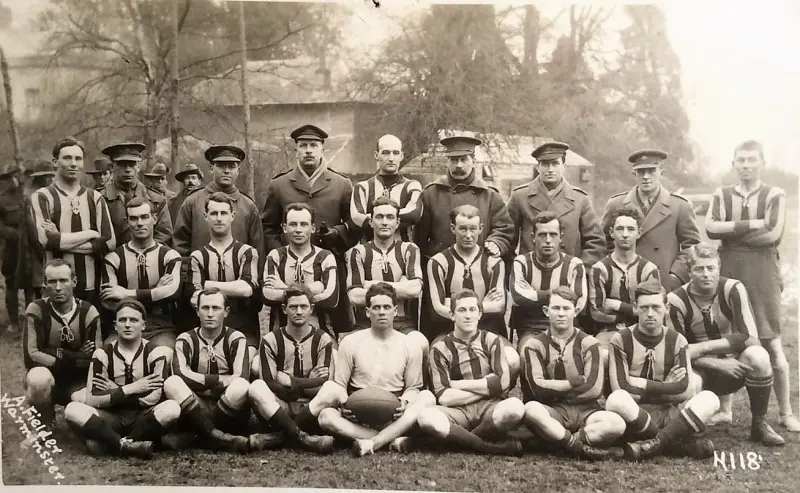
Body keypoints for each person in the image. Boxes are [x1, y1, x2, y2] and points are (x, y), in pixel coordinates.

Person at [704, 140, 799, 432]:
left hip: (762, 272)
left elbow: (773, 235)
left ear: (762, 163)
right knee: (729, 336)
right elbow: (710, 228)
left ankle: (785, 412)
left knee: (770, 341)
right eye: (741, 160)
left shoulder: (775, 194)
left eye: (751, 160)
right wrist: (752, 224)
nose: (746, 166)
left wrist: (731, 232)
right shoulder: (721, 194)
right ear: (734, 163)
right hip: (731, 268)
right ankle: (725, 409)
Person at [666, 243, 784, 446]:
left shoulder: (732, 288)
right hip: (700, 370)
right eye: (699, 269)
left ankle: (759, 424)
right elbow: (679, 351)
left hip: (734, 367)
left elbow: (749, 337)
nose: (706, 274)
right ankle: (690, 434)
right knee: (687, 378)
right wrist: (717, 363)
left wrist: (702, 348)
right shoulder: (676, 300)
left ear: (719, 267)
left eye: (710, 268)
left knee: (759, 355)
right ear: (689, 272)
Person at [309, 283, 436, 456]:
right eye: (376, 307)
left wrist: (405, 402)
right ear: (368, 312)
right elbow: (339, 384)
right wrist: (345, 405)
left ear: (395, 311)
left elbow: (413, 388)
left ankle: (372, 443)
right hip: (358, 413)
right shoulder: (351, 341)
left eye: (386, 307)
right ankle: (391, 439)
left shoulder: (410, 344)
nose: (382, 312)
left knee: (427, 397)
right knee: (326, 416)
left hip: (393, 412)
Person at [605, 280, 720, 460]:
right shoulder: (621, 338)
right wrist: (665, 386)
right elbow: (621, 388)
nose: (650, 314)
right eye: (644, 308)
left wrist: (641, 383)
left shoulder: (677, 340)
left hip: (668, 413)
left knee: (710, 399)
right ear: (635, 308)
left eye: (656, 307)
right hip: (636, 413)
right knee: (616, 400)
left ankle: (653, 443)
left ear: (666, 308)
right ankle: (674, 444)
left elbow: (684, 390)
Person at [261, 125, 357, 336]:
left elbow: (353, 226)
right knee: (289, 320)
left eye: (314, 145)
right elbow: (267, 227)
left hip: (330, 264)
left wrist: (336, 234)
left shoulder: (341, 184)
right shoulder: (280, 185)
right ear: (296, 150)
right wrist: (284, 255)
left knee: (334, 323)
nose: (308, 150)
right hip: (288, 269)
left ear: (323, 149)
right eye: (303, 145)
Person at [162, 287, 281, 453]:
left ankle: (197, 435)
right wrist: (219, 380)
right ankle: (217, 437)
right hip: (197, 404)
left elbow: (241, 375)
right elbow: (181, 374)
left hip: (227, 409)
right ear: (197, 311)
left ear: (226, 312)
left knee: (241, 385)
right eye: (205, 308)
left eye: (216, 308)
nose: (210, 314)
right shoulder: (186, 338)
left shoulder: (236, 338)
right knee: (172, 382)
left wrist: (201, 381)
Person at [519, 286, 625, 461]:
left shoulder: (590, 343)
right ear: (546, 311)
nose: (561, 313)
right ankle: (579, 448)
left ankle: (561, 441)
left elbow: (594, 389)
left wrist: (553, 387)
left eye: (566, 308)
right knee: (531, 410)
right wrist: (575, 382)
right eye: (556, 308)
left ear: (575, 311)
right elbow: (538, 388)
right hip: (554, 411)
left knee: (617, 424)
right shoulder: (534, 345)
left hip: (587, 412)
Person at [64, 299, 179, 459]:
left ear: (143, 325)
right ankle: (127, 445)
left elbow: (153, 398)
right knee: (72, 409)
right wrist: (132, 388)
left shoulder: (156, 353)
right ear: (115, 325)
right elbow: (92, 399)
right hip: (111, 417)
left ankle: (112, 442)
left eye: (133, 320)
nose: (127, 324)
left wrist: (114, 391)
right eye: (122, 320)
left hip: (143, 417)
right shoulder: (102, 354)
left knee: (172, 408)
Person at [416, 290, 524, 456]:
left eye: (473, 310)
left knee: (515, 407)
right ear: (452, 315)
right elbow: (444, 397)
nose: (468, 316)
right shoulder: (439, 348)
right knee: (425, 416)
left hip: (489, 407)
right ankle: (487, 447)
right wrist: (488, 386)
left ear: (480, 314)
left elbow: (502, 384)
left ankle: (453, 440)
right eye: (462, 310)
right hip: (457, 410)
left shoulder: (492, 340)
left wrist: (458, 384)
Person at [174, 145, 264, 333]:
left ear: (238, 170)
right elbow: (180, 247)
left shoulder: (248, 206)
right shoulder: (192, 202)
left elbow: (258, 249)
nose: (226, 170)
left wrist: (253, 295)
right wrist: (190, 290)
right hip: (200, 297)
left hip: (239, 300)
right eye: (221, 165)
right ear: (211, 168)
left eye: (232, 166)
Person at [29, 137, 117, 309]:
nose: (73, 164)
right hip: (55, 288)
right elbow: (45, 240)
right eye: (67, 158)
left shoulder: (95, 197)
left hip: (91, 286)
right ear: (55, 162)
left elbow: (109, 242)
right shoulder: (42, 196)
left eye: (78, 159)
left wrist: (60, 240)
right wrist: (91, 234)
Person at [248, 285, 337, 453]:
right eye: (293, 307)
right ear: (284, 309)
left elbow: (323, 383)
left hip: (311, 407)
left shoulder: (323, 339)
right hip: (280, 408)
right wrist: (307, 383)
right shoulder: (270, 339)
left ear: (311, 309)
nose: (298, 311)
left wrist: (291, 381)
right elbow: (269, 382)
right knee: (255, 387)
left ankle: (277, 437)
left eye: (303, 306)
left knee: (332, 389)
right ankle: (303, 438)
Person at [600, 149, 700, 292]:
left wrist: (676, 276)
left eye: (652, 171)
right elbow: (604, 242)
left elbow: (692, 246)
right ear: (634, 174)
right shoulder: (617, 204)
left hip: (663, 282)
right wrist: (613, 269)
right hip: (624, 280)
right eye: (641, 172)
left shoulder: (679, 206)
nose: (646, 177)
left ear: (661, 173)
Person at [23, 259, 103, 425]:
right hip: (49, 376)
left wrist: (49, 350)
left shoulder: (88, 311)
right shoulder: (36, 309)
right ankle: (43, 423)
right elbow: (31, 355)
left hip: (78, 380)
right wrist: (77, 355)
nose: (58, 287)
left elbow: (96, 358)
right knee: (38, 379)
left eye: (63, 280)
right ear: (44, 284)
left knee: (84, 419)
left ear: (73, 282)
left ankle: (74, 420)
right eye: (52, 281)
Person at [415, 135, 514, 262]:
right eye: (454, 160)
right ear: (447, 162)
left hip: (479, 268)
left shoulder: (490, 195)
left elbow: (504, 229)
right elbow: (419, 238)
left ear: (474, 162)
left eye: (464, 159)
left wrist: (496, 242)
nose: (459, 166)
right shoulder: (431, 194)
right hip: (441, 268)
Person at [346, 196, 425, 352]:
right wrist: (402, 286)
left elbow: (415, 289)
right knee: (348, 346)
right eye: (379, 217)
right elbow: (354, 297)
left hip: (402, 323)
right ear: (371, 222)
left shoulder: (409, 249)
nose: (384, 222)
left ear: (397, 223)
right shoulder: (359, 252)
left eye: (390, 217)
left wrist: (371, 285)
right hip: (366, 323)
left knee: (420, 344)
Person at [190, 192, 261, 364]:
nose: (219, 218)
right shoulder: (198, 256)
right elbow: (194, 298)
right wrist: (233, 287)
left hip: (244, 326)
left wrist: (208, 284)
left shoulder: (247, 252)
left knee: (246, 364)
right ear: (206, 217)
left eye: (224, 213)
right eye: (214, 213)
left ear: (232, 216)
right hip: (208, 329)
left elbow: (246, 289)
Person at [507, 141, 606, 265]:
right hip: (530, 275)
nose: (550, 170)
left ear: (564, 166)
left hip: (569, 275)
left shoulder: (580, 199)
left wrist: (581, 269)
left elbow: (596, 241)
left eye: (555, 164)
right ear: (538, 167)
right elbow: (507, 238)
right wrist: (516, 268)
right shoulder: (520, 196)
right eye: (545, 164)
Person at [101, 197, 182, 347]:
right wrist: (156, 291)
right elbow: (110, 302)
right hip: (124, 326)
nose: (139, 223)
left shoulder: (170, 256)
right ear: (127, 222)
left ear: (154, 219)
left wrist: (126, 294)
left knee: (165, 353)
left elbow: (172, 293)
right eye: (133, 218)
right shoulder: (113, 258)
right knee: (109, 351)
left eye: (144, 217)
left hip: (159, 328)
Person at [427, 205, 509, 340]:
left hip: (488, 329)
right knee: (438, 353)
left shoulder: (494, 262)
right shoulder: (438, 262)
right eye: (463, 229)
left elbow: (499, 307)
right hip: (449, 331)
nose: (468, 235)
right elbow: (437, 309)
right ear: (453, 228)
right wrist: (482, 303)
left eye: (473, 229)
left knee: (511, 359)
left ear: (481, 229)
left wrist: (454, 305)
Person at [509, 212, 587, 349]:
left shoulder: (574, 265)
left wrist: (535, 295)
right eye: (542, 235)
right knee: (529, 352)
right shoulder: (521, 262)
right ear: (533, 237)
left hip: (567, 330)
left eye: (553, 234)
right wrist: (556, 295)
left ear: (561, 238)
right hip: (532, 329)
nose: (548, 240)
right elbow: (518, 296)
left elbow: (578, 302)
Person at [262, 203, 338, 337]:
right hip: (280, 334)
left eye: (303, 224)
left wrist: (283, 288)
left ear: (313, 228)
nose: (298, 229)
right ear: (285, 228)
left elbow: (331, 299)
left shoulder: (325, 256)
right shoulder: (275, 256)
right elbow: (268, 296)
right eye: (293, 224)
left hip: (320, 332)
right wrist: (314, 288)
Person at [589, 208, 660, 344]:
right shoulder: (599, 269)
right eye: (620, 229)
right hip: (608, 332)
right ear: (611, 233)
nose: (625, 234)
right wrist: (635, 312)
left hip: (643, 331)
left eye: (630, 229)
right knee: (601, 355)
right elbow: (597, 312)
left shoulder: (649, 269)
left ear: (639, 233)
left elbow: (654, 309)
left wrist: (618, 305)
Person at [350, 134, 423, 242]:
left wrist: (377, 217)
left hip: (402, 252)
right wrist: (396, 217)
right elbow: (358, 218)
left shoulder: (412, 185)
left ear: (401, 156)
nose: (391, 158)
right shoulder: (362, 187)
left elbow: (414, 214)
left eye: (396, 153)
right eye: (386, 153)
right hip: (369, 252)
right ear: (376, 155)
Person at [100, 142, 172, 246]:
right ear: (112, 167)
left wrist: (141, 253)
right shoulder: (99, 198)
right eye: (122, 164)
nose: (128, 169)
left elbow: (164, 235)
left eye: (132, 164)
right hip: (111, 259)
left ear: (138, 167)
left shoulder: (156, 200)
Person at [15, 159, 56, 306]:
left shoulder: (45, 193)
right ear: (40, 178)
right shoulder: (32, 197)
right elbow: (32, 228)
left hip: (41, 246)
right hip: (33, 249)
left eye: (52, 176)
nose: (51, 179)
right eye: (47, 176)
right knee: (36, 287)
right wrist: (42, 248)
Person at [0, 161, 23, 333]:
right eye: (12, 176)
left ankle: (35, 320)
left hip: (30, 247)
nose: (16, 179)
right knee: (11, 284)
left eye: (18, 175)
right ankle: (14, 322)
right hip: (12, 247)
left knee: (34, 284)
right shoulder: (2, 199)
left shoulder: (28, 195)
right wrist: (10, 233)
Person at [168, 163, 204, 227]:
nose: (190, 181)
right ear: (183, 182)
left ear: (199, 181)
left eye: (193, 178)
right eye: (187, 178)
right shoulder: (173, 202)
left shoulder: (206, 200)